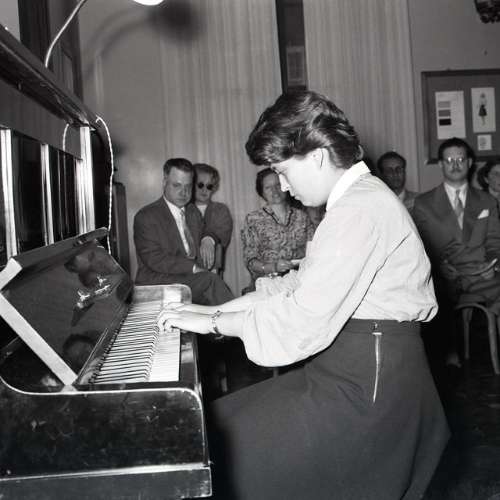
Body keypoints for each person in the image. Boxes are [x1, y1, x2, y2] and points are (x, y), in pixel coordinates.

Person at [158, 90, 449, 500]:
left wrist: (213, 323)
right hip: (347, 368)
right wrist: (209, 311)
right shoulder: (355, 201)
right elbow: (293, 286)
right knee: (215, 423)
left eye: (283, 170)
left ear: (317, 157)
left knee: (225, 450)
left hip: (370, 389)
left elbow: (300, 320)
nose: (282, 185)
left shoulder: (359, 209)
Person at [413, 138, 500, 366]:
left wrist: (492, 263)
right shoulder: (423, 203)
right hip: (443, 277)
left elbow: (494, 241)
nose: (455, 165)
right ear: (441, 164)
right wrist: (439, 266)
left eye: (460, 159)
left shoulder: (487, 201)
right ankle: (446, 354)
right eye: (449, 160)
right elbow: (419, 247)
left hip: (480, 274)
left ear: (469, 163)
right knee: (432, 297)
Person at [133, 157, 233, 305]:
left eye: (188, 186)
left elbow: (207, 229)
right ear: (164, 182)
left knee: (211, 289)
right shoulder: (146, 216)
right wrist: (193, 268)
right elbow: (154, 258)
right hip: (158, 283)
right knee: (210, 282)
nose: (183, 192)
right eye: (177, 185)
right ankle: (240, 316)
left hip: (187, 280)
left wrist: (208, 238)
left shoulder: (192, 211)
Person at [241, 167, 314, 291]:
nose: (274, 191)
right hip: (268, 281)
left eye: (278, 185)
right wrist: (273, 267)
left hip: (301, 279)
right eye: (268, 188)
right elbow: (250, 260)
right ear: (261, 192)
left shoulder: (302, 216)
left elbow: (313, 250)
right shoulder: (253, 219)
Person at [193, 163, 233, 273]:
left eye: (209, 186)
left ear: (214, 188)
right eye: (200, 185)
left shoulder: (220, 209)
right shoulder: (184, 209)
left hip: (212, 268)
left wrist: (210, 238)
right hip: (187, 268)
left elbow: (223, 234)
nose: (204, 190)